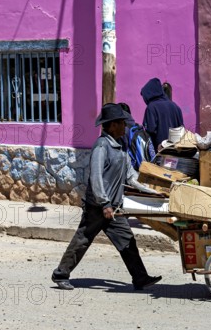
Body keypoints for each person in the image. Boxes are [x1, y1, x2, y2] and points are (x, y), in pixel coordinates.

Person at [51, 103, 162, 291]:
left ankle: (140, 277)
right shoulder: (101, 146)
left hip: (113, 207)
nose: (125, 127)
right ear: (111, 125)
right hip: (98, 206)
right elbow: (96, 177)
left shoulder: (119, 148)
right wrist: (104, 203)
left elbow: (131, 178)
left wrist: (155, 193)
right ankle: (60, 274)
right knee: (83, 239)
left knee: (127, 239)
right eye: (121, 123)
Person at [140, 78, 183, 151]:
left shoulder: (151, 107)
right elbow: (181, 130)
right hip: (176, 152)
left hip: (159, 152)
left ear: (149, 94)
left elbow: (150, 130)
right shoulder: (176, 107)